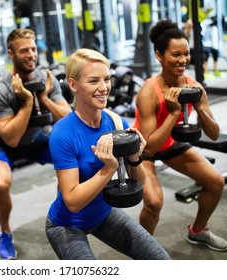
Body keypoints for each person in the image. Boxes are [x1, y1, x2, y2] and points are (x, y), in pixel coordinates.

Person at [45, 48, 170, 260]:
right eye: (94, 81)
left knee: (161, 261)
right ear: (73, 85)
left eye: (107, 79)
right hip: (67, 223)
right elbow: (73, 202)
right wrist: (108, 168)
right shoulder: (62, 134)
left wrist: (135, 158)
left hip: (104, 214)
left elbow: (139, 182)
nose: (104, 88)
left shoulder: (115, 122)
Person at [133, 19, 227, 252]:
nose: (183, 60)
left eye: (186, 54)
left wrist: (199, 107)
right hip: (141, 148)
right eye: (176, 54)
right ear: (159, 56)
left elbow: (214, 134)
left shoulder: (192, 85)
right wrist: (173, 112)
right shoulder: (148, 92)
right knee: (154, 202)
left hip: (169, 143)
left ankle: (198, 231)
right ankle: (143, 251)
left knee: (216, 182)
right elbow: (148, 149)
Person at [0, 28, 72, 260]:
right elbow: (11, 138)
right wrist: (26, 102)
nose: (31, 54)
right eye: (24, 51)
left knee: (76, 158)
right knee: (1, 184)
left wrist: (43, 98)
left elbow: (68, 118)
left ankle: (61, 218)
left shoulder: (46, 79)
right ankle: (5, 233)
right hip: (3, 144)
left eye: (33, 49)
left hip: (35, 139)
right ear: (11, 54)